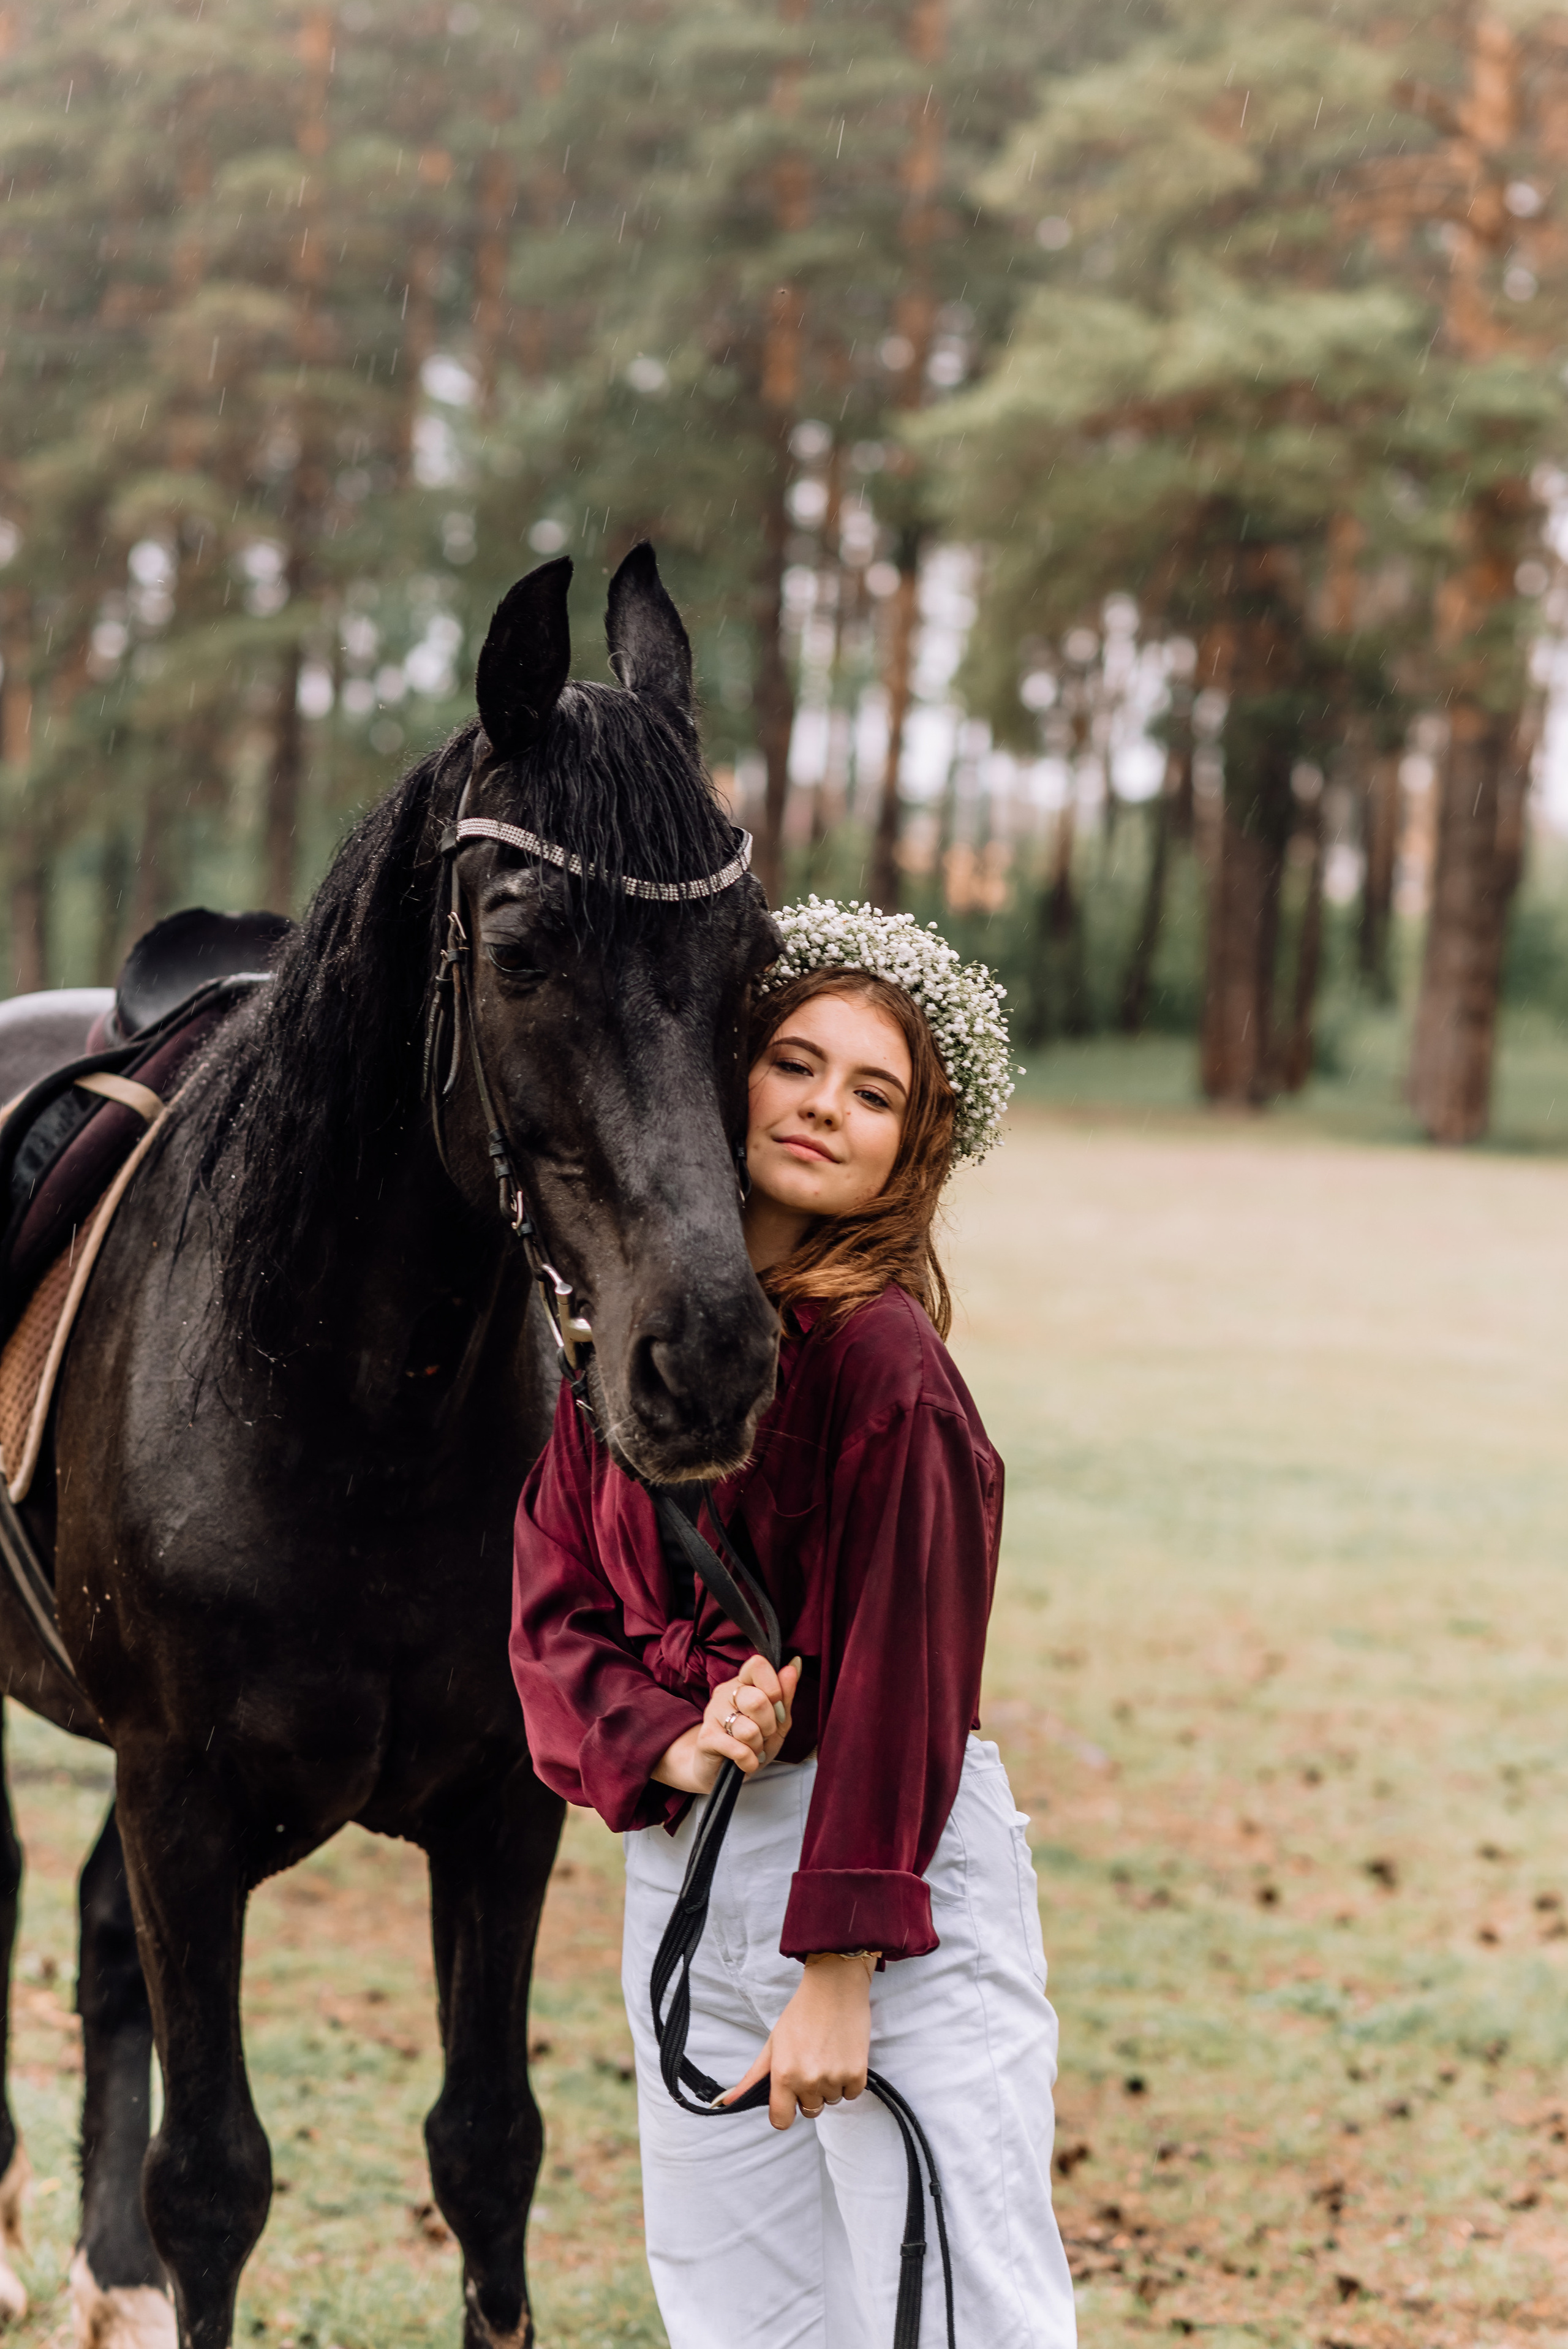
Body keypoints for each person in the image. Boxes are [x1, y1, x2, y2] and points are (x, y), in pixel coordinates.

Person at [510, 898, 1077, 2349]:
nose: (825, 1108)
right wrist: (677, 1738)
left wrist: (838, 1970)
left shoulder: (885, 1366)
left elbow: (905, 1677)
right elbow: (553, 1594)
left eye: (872, 1093)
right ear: (730, 1076)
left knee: (950, 2308)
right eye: (795, 1065)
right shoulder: (622, 1347)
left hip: (879, 1878)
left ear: (909, 1148)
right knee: (735, 2314)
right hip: (687, 1872)